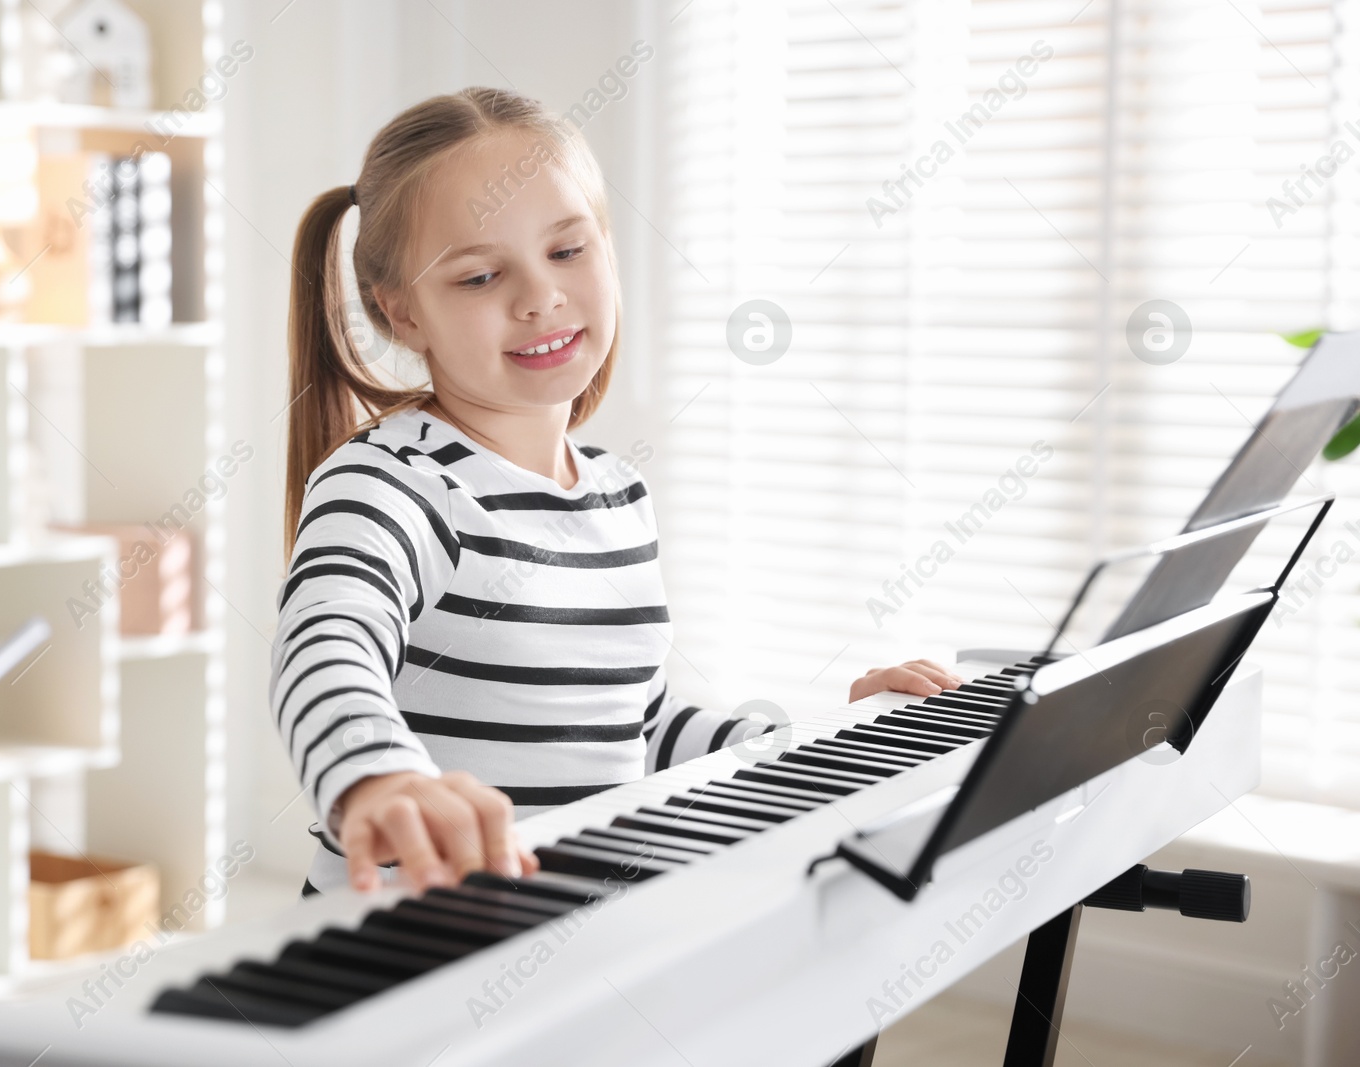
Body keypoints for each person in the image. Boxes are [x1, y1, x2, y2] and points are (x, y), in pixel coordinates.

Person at [273, 87, 962, 896]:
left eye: (567, 252)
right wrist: (376, 780)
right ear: (403, 313)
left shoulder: (615, 492)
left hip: (570, 930)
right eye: (481, 275)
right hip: (411, 946)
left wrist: (828, 741)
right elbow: (325, 643)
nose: (539, 297)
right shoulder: (393, 482)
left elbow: (635, 723)